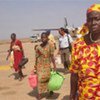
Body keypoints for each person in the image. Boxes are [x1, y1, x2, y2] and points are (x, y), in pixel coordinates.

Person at [69, 4, 100, 100]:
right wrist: (72, 95)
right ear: (86, 22)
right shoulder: (78, 44)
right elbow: (74, 74)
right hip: (85, 96)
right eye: (90, 20)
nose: (93, 22)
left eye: (97, 19)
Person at [34, 32, 56, 99]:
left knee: (48, 79)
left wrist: (54, 65)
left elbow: (52, 56)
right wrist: (35, 67)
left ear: (47, 38)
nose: (43, 38)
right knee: (40, 79)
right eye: (42, 37)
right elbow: (36, 58)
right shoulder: (38, 47)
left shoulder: (50, 45)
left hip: (47, 65)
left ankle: (50, 90)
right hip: (40, 66)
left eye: (44, 37)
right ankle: (40, 94)